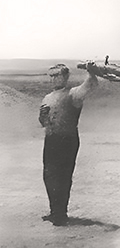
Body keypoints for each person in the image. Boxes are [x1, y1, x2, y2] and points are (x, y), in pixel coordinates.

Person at [39, 62, 99, 226]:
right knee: (49, 176)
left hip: (67, 139)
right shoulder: (47, 98)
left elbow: (90, 86)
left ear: (65, 77)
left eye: (58, 75)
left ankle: (60, 213)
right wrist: (43, 117)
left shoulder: (73, 94)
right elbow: (43, 123)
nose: (54, 79)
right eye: (52, 76)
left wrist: (91, 73)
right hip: (51, 139)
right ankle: (55, 211)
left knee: (63, 176)